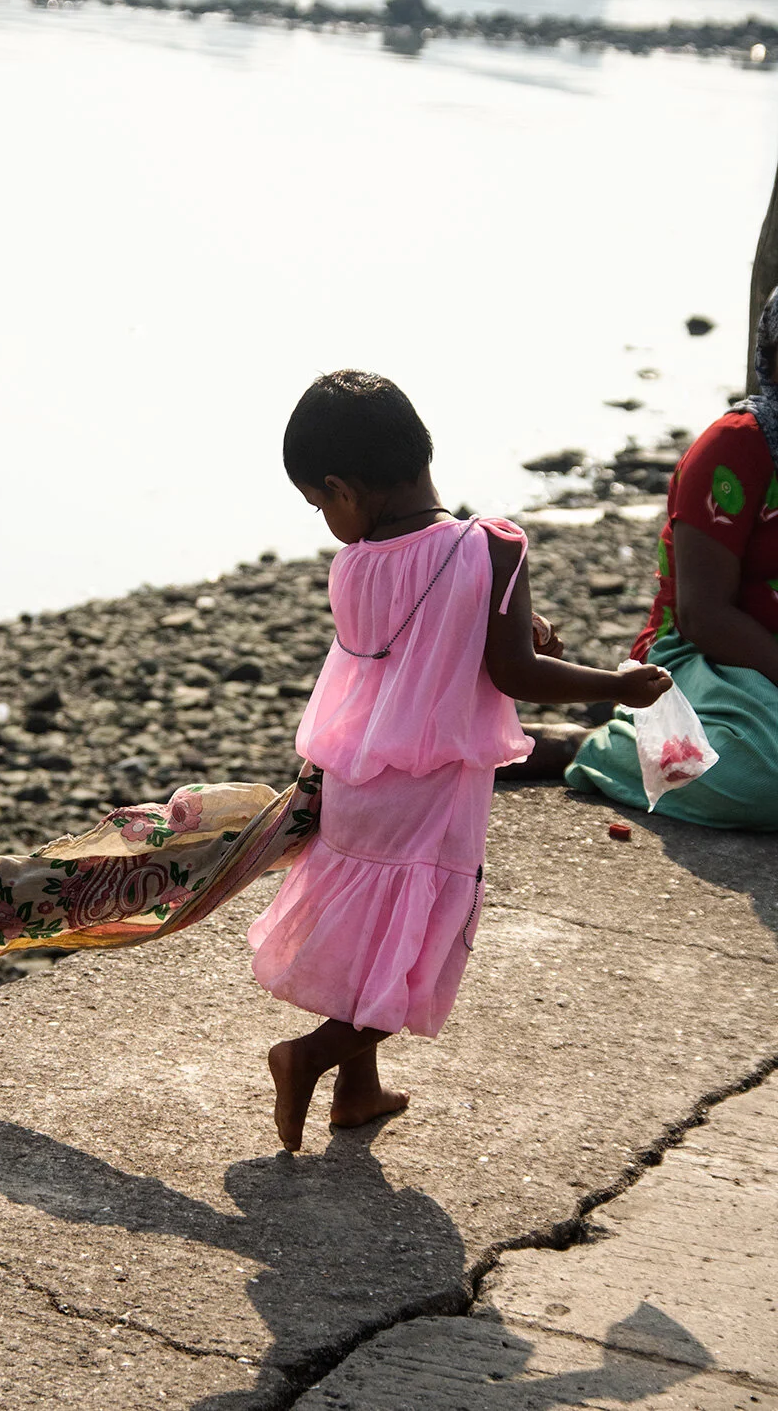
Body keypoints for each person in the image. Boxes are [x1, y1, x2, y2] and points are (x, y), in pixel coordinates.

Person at [248, 370, 671, 1151]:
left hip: (358, 777)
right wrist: (615, 685)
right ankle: (308, 1057)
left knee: (373, 930)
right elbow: (511, 674)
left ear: (343, 488)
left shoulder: (356, 564)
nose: (326, 520)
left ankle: (358, 1092)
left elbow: (412, 637)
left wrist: (517, 618)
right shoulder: (493, 547)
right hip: (434, 786)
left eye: (319, 504)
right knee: (413, 940)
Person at [566, 285, 778, 830]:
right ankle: (611, 748)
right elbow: (703, 615)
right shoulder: (739, 445)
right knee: (760, 782)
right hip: (709, 658)